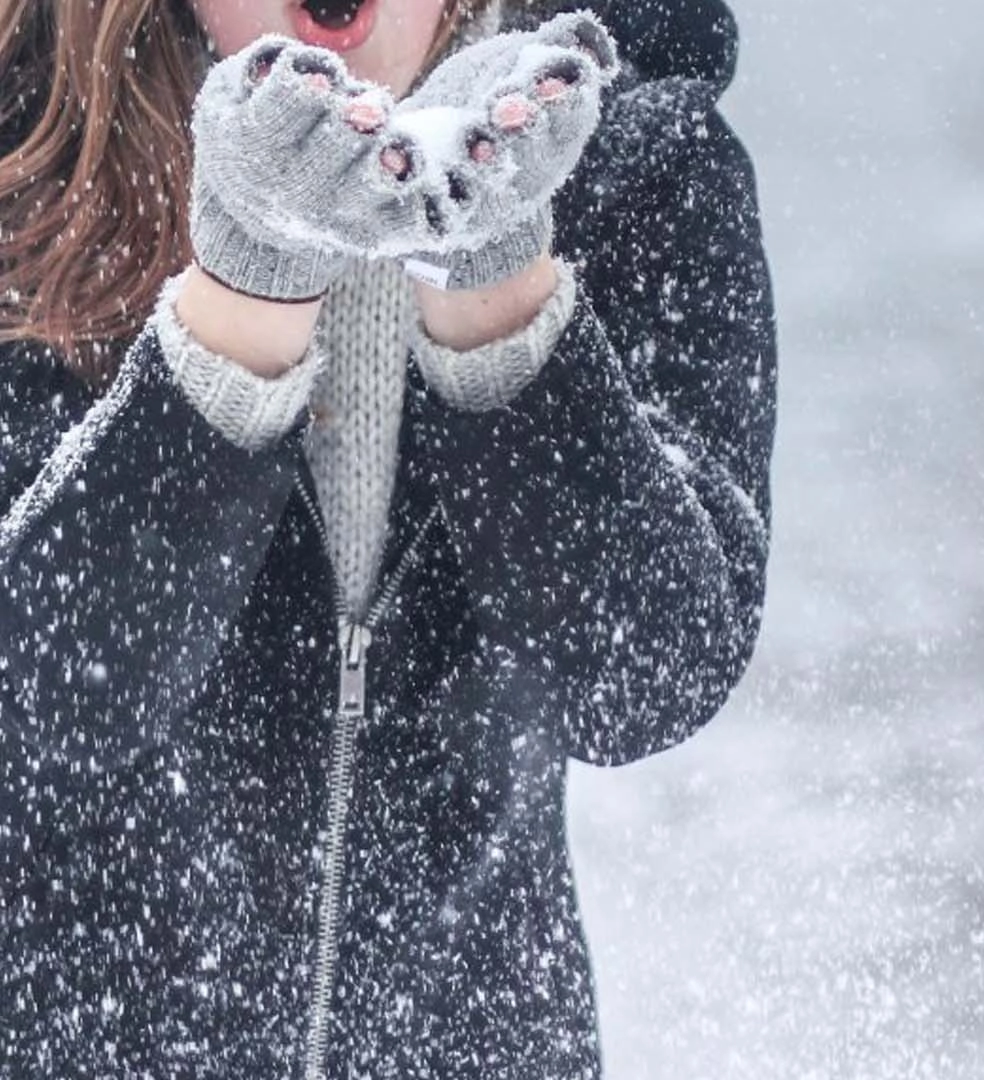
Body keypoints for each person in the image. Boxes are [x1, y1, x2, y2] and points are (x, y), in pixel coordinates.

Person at [0, 0, 775, 1074]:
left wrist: (497, 276)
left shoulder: (640, 161)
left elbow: (646, 676)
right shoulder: (23, 154)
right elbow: (39, 702)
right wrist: (247, 292)